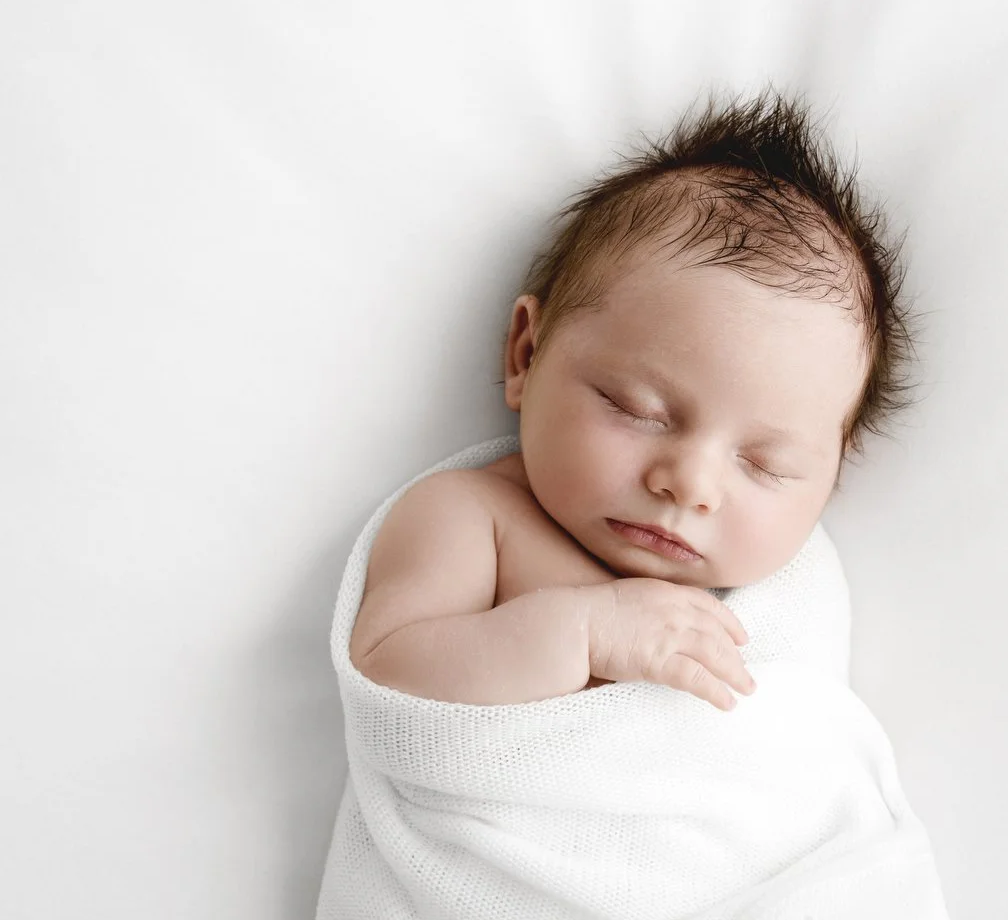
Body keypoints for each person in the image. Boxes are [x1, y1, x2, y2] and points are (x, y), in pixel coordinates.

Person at [347, 89, 921, 712]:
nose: (689, 484)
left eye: (765, 464)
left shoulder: (798, 589)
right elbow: (386, 672)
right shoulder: (473, 517)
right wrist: (585, 633)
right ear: (525, 355)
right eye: (638, 410)